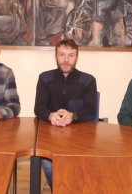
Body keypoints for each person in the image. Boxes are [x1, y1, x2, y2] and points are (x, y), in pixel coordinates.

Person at [34, 38, 98, 189]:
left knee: (80, 167)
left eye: (71, 55)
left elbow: (91, 110)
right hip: (50, 135)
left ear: (77, 57)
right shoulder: (44, 78)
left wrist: (73, 116)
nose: (66, 60)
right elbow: (39, 107)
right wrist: (50, 115)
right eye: (62, 55)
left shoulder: (88, 80)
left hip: (80, 137)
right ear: (55, 56)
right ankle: (59, 189)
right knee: (48, 165)